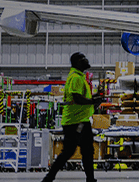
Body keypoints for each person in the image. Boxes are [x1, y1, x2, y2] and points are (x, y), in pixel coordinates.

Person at [39, 53, 102, 182]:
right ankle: (49, 177)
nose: (87, 60)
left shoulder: (79, 77)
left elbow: (81, 98)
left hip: (81, 120)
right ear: (78, 61)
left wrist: (94, 99)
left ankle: (90, 178)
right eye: (84, 58)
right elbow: (77, 98)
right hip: (75, 122)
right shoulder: (76, 78)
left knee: (87, 151)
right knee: (69, 151)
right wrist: (92, 101)